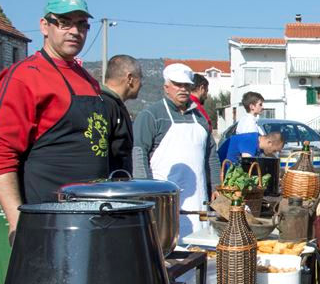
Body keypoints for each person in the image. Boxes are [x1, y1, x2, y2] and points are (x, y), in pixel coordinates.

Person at [0, 0, 110, 240]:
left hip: (93, 217)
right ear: (45, 26)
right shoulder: (23, 77)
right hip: (48, 220)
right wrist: (16, 221)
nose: (74, 31)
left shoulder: (88, 80)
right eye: (64, 22)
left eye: (81, 24)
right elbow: (0, 152)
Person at [132, 63, 220, 237]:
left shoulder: (200, 118)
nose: (183, 89)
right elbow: (139, 153)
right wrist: (147, 192)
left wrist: (216, 186)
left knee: (199, 242)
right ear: (166, 87)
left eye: (186, 85)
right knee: (166, 242)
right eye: (178, 85)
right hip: (163, 200)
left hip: (198, 200)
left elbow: (211, 156)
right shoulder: (151, 115)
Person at [102, 54, 142, 174]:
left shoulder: (115, 106)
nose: (141, 84)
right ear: (130, 78)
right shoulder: (105, 106)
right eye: (140, 78)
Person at [218, 130, 284, 165]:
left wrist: (278, 167)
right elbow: (248, 165)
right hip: (221, 172)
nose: (274, 153)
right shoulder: (250, 141)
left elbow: (271, 156)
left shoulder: (260, 141)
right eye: (274, 151)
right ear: (269, 142)